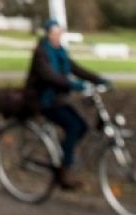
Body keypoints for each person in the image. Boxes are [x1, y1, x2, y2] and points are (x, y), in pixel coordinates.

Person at [24, 18, 108, 190]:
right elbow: (49, 76)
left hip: (58, 100)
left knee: (82, 126)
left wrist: (98, 79)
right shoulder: (41, 52)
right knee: (73, 127)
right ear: (47, 34)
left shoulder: (60, 51)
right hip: (43, 101)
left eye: (58, 33)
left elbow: (75, 68)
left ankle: (64, 154)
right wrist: (74, 85)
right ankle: (64, 171)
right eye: (53, 33)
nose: (56, 36)